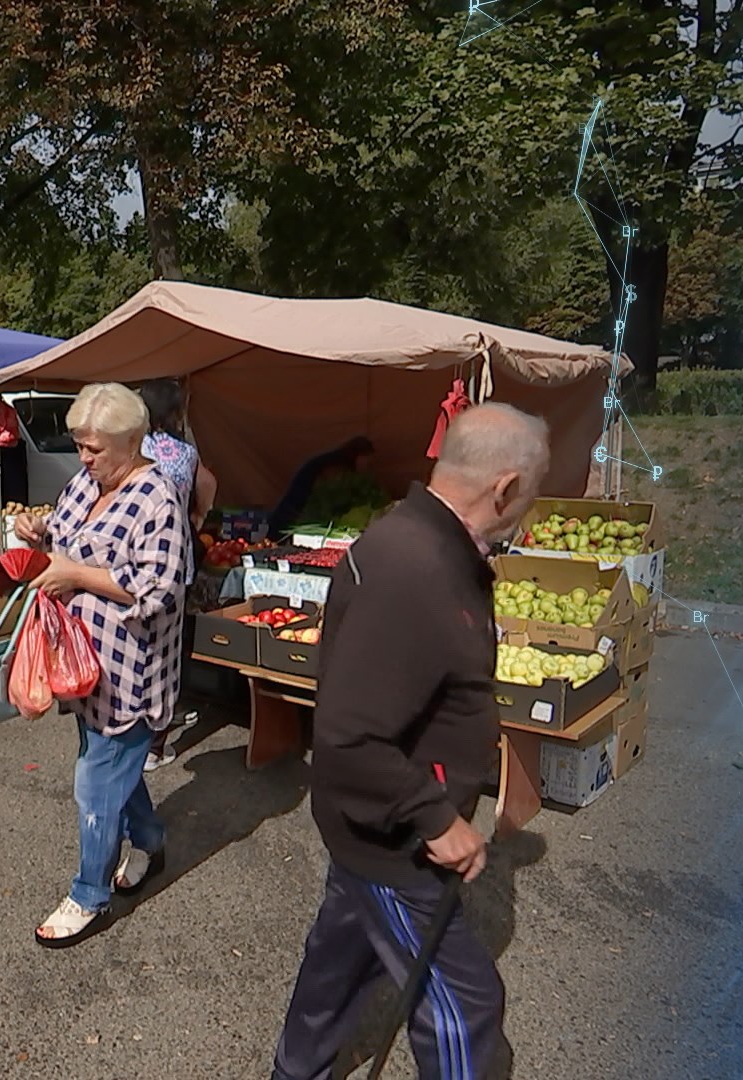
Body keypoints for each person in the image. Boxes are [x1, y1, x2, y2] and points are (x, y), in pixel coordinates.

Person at [270, 404, 549, 1080]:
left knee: (338, 966)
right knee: (466, 1006)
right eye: (530, 500)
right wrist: (435, 819)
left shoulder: (429, 547)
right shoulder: (411, 566)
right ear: (505, 488)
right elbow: (348, 737)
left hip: (371, 830)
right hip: (395, 839)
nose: (527, 517)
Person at [10, 383, 190, 948]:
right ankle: (152, 842)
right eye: (80, 446)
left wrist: (78, 576)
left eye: (94, 449)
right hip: (82, 663)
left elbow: (161, 588)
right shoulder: (86, 484)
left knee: (95, 782)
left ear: (132, 441)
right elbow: (68, 538)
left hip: (130, 670)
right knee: (111, 765)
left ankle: (89, 895)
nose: (84, 458)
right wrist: (41, 533)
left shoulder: (157, 500)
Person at [137, 378, 219, 772]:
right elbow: (207, 488)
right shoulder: (185, 454)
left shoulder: (132, 449)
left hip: (135, 562)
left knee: (139, 646)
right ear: (175, 413)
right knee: (170, 649)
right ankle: (156, 742)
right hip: (175, 560)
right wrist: (198, 518)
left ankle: (135, 730)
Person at [268, 436, 377, 535]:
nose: (367, 468)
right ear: (359, 456)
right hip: (296, 510)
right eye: (367, 462)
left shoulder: (335, 462)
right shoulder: (335, 467)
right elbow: (327, 497)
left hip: (297, 508)